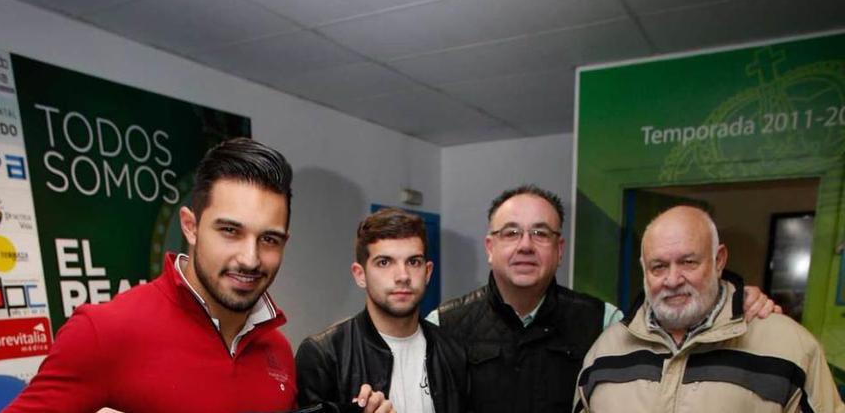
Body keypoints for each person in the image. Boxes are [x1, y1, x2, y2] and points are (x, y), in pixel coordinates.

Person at [4, 138, 298, 413]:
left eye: (269, 239)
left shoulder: (279, 351)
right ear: (190, 226)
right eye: (230, 231)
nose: (250, 259)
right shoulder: (104, 332)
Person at [430, 185, 779, 413]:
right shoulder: (443, 325)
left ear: (559, 249)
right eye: (511, 233)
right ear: (490, 248)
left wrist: (733, 298)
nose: (525, 245)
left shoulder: (605, 321)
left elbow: (674, 331)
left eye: (540, 233)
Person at [574, 205, 845, 412]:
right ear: (644, 270)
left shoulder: (790, 347)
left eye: (688, 262)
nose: (672, 279)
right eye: (658, 266)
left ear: (718, 261)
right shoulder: (605, 352)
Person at [296, 208, 468, 413]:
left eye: (413, 262)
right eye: (384, 262)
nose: (403, 276)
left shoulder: (453, 351)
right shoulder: (324, 355)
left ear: (428, 272)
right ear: (360, 275)